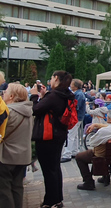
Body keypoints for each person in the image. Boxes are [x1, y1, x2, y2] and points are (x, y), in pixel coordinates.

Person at [31, 70, 74, 208]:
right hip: (60, 135)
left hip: (47, 136)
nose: (50, 80)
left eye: (51, 77)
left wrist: (34, 96)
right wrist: (44, 96)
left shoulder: (54, 95)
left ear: (56, 78)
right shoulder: (67, 95)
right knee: (55, 167)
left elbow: (36, 109)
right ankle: (57, 199)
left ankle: (50, 201)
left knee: (48, 170)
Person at [76, 109, 111, 190]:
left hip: (102, 156)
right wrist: (96, 125)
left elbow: (92, 142)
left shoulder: (104, 131)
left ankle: (88, 182)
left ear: (110, 119)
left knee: (79, 157)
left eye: (107, 117)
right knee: (107, 149)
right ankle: (105, 177)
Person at [0, 83, 33, 208]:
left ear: (12, 96)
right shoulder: (28, 111)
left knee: (4, 190)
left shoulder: (9, 112)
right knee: (17, 187)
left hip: (7, 156)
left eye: (6, 92)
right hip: (23, 156)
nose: (3, 93)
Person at [61, 79, 86, 163]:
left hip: (76, 117)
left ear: (75, 86)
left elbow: (76, 107)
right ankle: (75, 151)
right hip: (79, 117)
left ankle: (67, 154)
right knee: (74, 135)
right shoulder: (79, 93)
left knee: (70, 135)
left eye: (71, 84)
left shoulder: (78, 94)